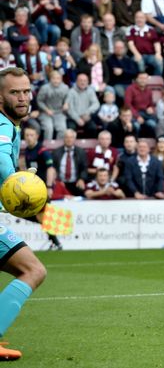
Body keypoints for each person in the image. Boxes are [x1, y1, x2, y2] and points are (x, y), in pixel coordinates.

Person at [0, 65, 48, 362]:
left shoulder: (11, 126)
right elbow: (2, 163)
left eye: (26, 91)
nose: (22, 97)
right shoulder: (4, 127)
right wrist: (15, 180)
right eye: (14, 92)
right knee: (33, 270)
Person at [36, 70, 68, 140]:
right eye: (54, 78)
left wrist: (66, 103)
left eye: (58, 78)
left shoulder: (65, 88)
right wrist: (46, 109)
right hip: (46, 113)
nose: (56, 81)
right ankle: (47, 147)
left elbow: (68, 98)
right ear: (50, 79)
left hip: (59, 112)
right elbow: (39, 101)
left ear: (61, 79)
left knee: (63, 129)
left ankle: (58, 147)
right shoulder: (44, 88)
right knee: (49, 128)